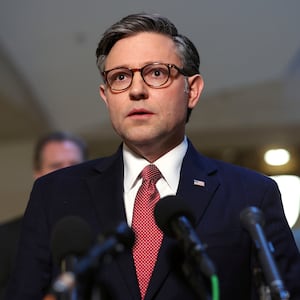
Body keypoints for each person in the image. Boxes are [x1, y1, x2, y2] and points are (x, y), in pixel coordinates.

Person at [5, 13, 300, 300]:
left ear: (192, 90)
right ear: (106, 96)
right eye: (120, 77)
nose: (136, 90)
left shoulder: (250, 195)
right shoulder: (55, 194)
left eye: (156, 73)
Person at [0, 131, 87, 300]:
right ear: (37, 174)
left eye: (75, 165)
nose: (67, 173)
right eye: (56, 166)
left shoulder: (104, 229)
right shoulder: (5, 237)